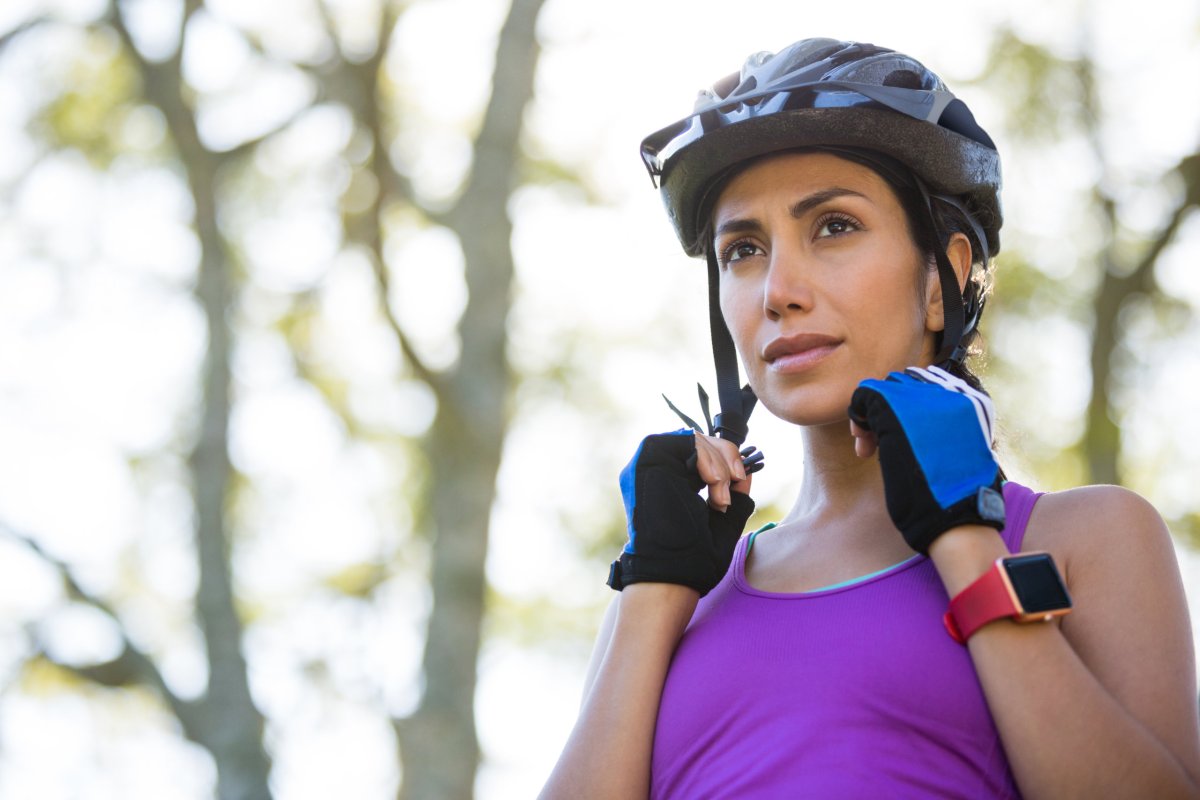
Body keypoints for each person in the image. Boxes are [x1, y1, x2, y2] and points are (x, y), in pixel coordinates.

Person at [540, 38, 1200, 798]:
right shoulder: (678, 601)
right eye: (744, 249)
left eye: (834, 227)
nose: (777, 290)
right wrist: (651, 590)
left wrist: (966, 536)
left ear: (942, 276)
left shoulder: (1082, 539)